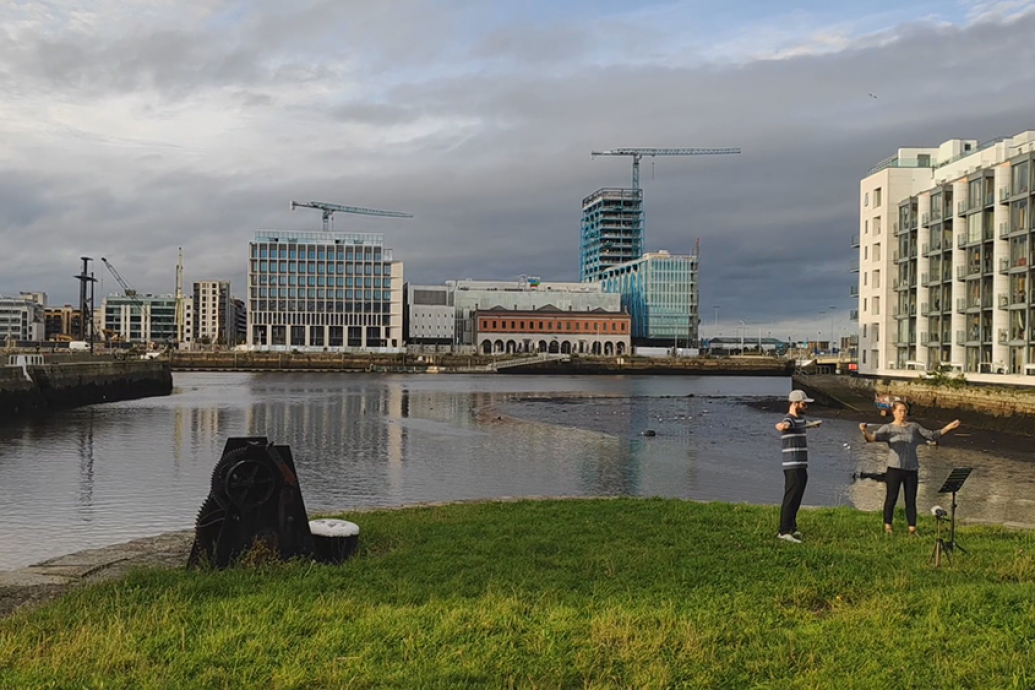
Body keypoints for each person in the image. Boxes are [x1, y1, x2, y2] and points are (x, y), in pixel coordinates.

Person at [859, 401, 961, 535]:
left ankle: (912, 528)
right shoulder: (888, 429)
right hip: (894, 469)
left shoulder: (914, 427)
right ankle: (888, 526)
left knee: (911, 500)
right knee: (891, 499)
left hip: (911, 469)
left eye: (905, 411)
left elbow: (931, 435)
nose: (903, 414)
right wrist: (864, 431)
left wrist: (948, 427)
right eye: (900, 411)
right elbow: (871, 439)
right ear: (894, 412)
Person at [775, 390, 821, 543]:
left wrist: (813, 425)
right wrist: (782, 426)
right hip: (792, 465)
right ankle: (783, 531)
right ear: (795, 404)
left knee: (797, 497)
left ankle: (792, 527)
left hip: (802, 465)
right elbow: (785, 425)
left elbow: (804, 424)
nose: (806, 406)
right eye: (803, 403)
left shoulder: (800, 419)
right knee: (790, 497)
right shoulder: (790, 419)